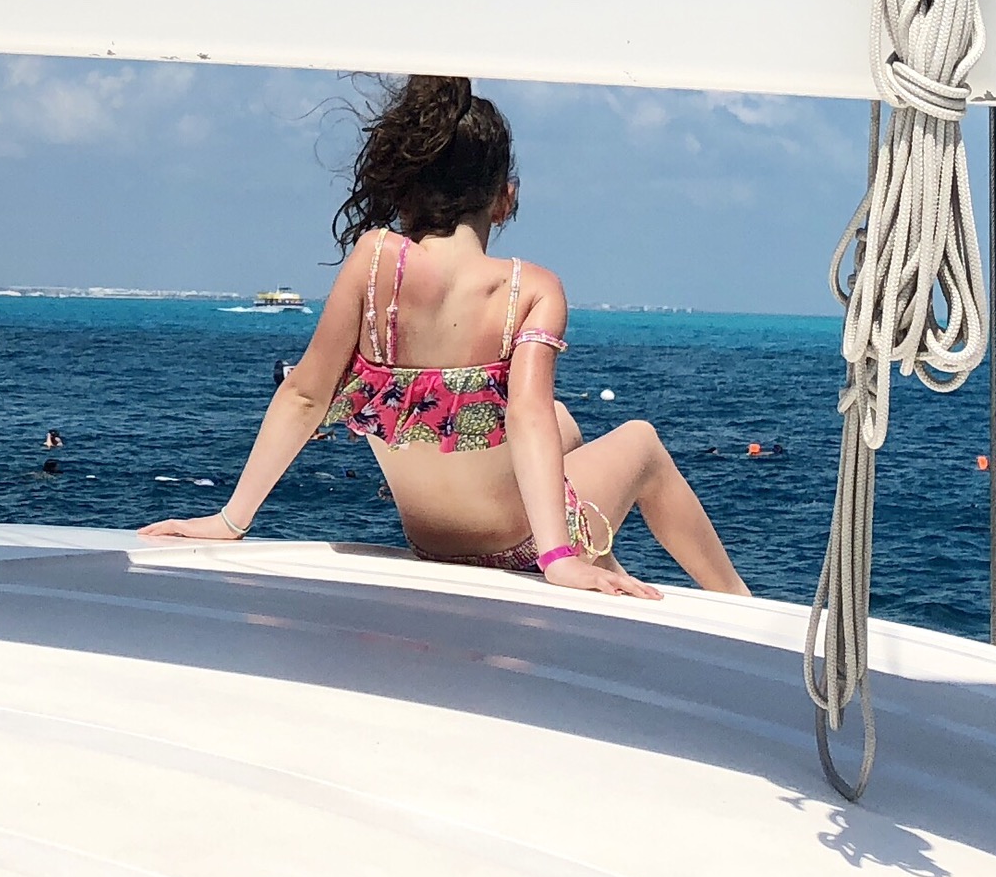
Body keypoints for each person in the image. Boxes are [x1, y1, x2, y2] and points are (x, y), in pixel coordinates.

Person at [142, 77, 744, 600]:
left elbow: (303, 396)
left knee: (564, 422)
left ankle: (603, 566)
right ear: (505, 198)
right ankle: (741, 603)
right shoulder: (530, 289)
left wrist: (230, 521)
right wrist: (556, 559)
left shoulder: (373, 261)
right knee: (639, 441)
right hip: (520, 546)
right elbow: (524, 416)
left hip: (431, 542)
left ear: (409, 186)